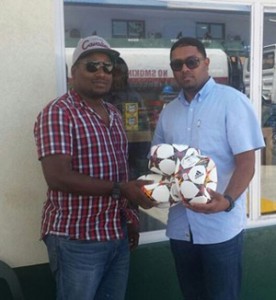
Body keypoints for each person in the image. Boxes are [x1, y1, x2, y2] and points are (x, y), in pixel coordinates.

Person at [34, 35, 156, 300]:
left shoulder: (113, 113)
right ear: (73, 71)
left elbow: (120, 170)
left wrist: (131, 220)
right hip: (77, 238)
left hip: (117, 234)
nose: (101, 72)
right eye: (92, 65)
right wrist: (121, 189)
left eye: (107, 66)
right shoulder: (58, 113)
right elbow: (57, 177)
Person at [151, 37, 265, 300]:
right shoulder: (169, 112)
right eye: (177, 64)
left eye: (192, 62)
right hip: (181, 227)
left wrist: (227, 201)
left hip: (220, 228)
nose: (185, 69)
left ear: (206, 63)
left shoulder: (232, 101)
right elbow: (158, 161)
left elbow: (246, 162)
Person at [105, 56, 150, 179]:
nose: (116, 78)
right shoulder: (100, 97)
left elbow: (140, 134)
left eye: (119, 74)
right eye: (113, 74)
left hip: (130, 159)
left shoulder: (132, 98)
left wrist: (141, 164)